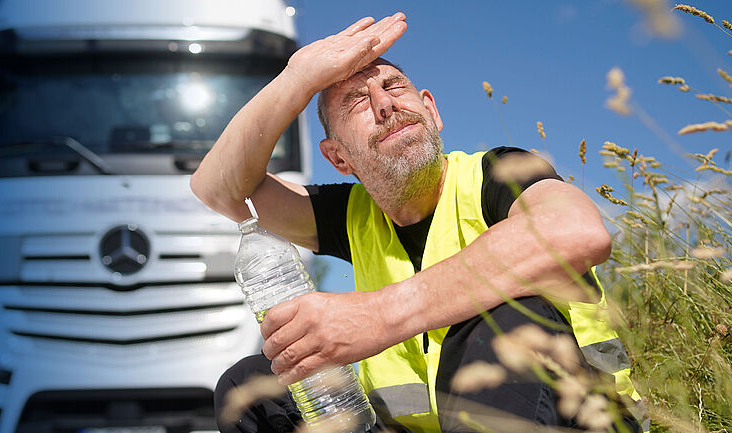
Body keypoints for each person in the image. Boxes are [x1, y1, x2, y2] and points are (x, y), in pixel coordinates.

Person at [190, 13, 647, 433]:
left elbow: (576, 233)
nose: (384, 105)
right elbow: (218, 188)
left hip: (584, 419)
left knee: (501, 316)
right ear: (338, 157)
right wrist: (299, 76)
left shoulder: (498, 173)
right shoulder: (350, 216)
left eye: (394, 87)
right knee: (248, 384)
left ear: (431, 109)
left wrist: (377, 316)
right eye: (356, 103)